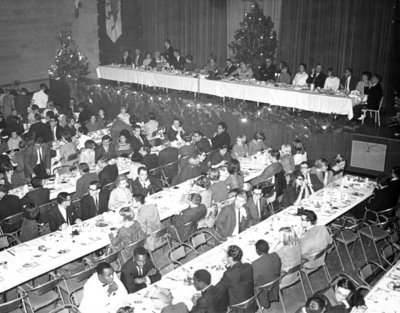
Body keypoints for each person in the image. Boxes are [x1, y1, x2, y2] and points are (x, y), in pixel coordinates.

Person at [215, 245, 255, 313]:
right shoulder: (248, 266)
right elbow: (238, 275)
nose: (225, 256)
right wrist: (230, 267)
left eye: (226, 255)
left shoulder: (228, 274)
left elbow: (217, 289)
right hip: (252, 303)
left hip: (238, 308)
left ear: (230, 258)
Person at [252, 240, 281, 309]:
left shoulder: (255, 264)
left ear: (257, 251)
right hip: (275, 283)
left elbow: (254, 282)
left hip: (263, 291)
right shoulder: (275, 255)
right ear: (268, 248)